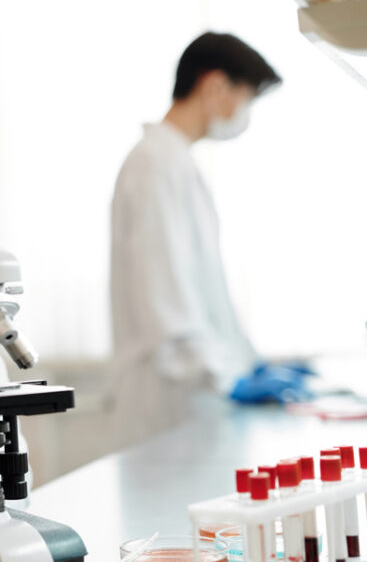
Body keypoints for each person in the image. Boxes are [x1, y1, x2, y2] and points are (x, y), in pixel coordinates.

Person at [108, 32, 308, 446]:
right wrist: (223, 377)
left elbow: (206, 295)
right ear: (215, 85)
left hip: (190, 395)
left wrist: (247, 364)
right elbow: (165, 298)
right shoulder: (155, 165)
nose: (244, 112)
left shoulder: (175, 162)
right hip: (165, 403)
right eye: (246, 97)